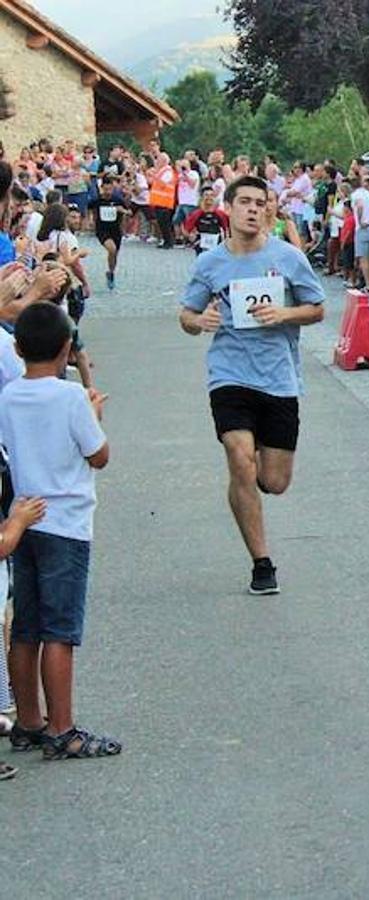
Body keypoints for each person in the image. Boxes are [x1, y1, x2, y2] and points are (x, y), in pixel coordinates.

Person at [178, 176, 327, 595]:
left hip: (278, 377)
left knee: (274, 481)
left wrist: (284, 315)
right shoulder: (210, 263)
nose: (252, 209)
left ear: (268, 210)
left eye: (260, 203)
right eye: (244, 201)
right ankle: (262, 563)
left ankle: (246, 481)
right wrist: (199, 322)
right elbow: (186, 316)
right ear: (228, 207)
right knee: (238, 453)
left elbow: (317, 309)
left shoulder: (289, 258)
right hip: (229, 373)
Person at [1, 301, 113, 760]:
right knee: (60, 630)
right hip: (66, 523)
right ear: (68, 349)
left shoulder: (7, 394)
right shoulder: (70, 398)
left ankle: (28, 719)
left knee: (25, 626)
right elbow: (98, 455)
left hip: (22, 517)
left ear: (19, 347)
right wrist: (93, 414)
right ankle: (63, 729)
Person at [89, 174, 128, 291]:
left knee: (115, 254)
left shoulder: (118, 200)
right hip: (102, 229)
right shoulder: (97, 200)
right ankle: (111, 272)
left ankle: (111, 272)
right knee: (111, 249)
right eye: (105, 189)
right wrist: (90, 220)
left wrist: (123, 211)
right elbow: (90, 209)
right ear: (101, 188)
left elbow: (129, 212)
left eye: (110, 189)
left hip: (116, 229)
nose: (108, 192)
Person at [183, 188, 230, 255]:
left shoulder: (220, 214)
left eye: (211, 195)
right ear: (202, 197)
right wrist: (191, 237)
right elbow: (186, 229)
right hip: (200, 245)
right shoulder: (196, 214)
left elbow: (227, 229)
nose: (209, 197)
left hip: (216, 244)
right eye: (206, 195)